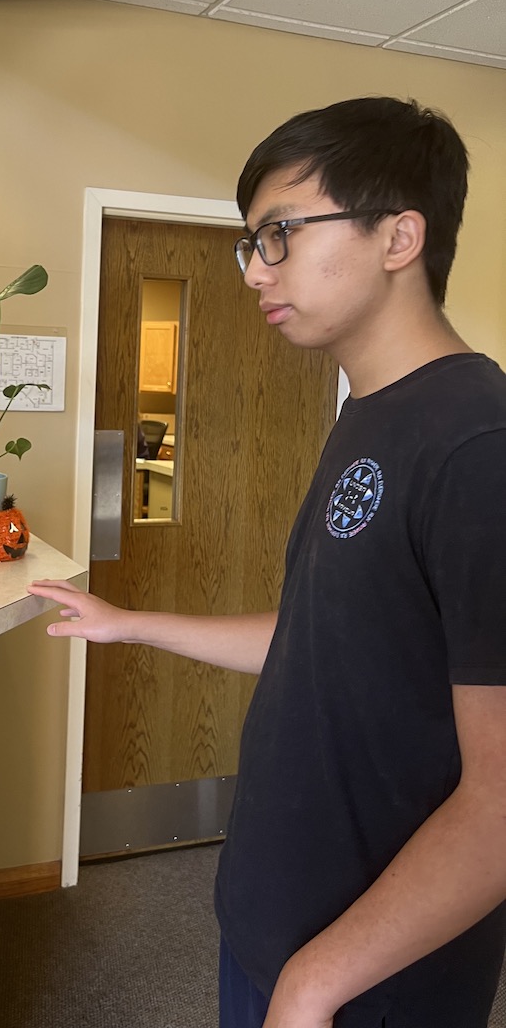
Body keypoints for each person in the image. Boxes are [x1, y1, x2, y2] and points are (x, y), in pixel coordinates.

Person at [29, 96, 506, 1028]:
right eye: (253, 242)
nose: (256, 270)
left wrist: (317, 983)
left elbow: (499, 803)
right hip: (277, 925)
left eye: (280, 234)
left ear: (399, 236)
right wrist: (131, 623)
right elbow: (329, 639)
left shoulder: (476, 442)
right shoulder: (370, 411)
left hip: (368, 973)